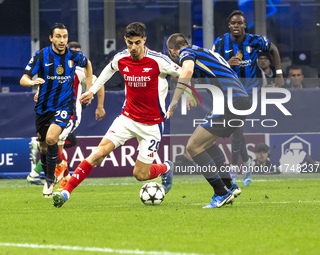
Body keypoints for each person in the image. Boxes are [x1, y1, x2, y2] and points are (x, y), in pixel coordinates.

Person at [52, 22, 181, 208]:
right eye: (130, 43)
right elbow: (108, 70)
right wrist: (92, 91)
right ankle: (65, 192)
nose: (134, 48)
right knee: (98, 153)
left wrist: (187, 92)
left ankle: (166, 168)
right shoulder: (121, 58)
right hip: (127, 119)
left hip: (152, 125)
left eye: (137, 43)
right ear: (125, 41)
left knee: (140, 175)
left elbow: (184, 72)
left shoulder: (159, 61)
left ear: (144, 40)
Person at [165, 33, 250, 209]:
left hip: (230, 102)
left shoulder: (185, 53)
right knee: (206, 144)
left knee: (193, 147)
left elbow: (187, 70)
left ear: (172, 51)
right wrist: (190, 90)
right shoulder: (204, 52)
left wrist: (174, 102)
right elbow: (209, 71)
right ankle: (229, 186)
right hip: (239, 101)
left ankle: (221, 193)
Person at [20, 23, 94, 198]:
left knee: (52, 138)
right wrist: (32, 83)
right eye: (58, 37)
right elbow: (24, 78)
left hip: (63, 107)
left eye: (65, 37)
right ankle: (49, 174)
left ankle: (49, 180)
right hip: (43, 108)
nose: (62, 40)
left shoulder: (73, 56)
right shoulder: (40, 56)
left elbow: (88, 65)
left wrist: (89, 90)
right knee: (44, 148)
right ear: (51, 38)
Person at [213, 10, 284, 186]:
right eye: (233, 23)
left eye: (239, 23)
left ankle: (233, 168)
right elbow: (212, 62)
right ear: (229, 25)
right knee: (236, 129)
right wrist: (225, 63)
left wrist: (280, 73)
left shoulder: (255, 40)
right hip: (230, 91)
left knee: (236, 127)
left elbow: (273, 49)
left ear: (245, 25)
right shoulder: (221, 42)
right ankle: (247, 164)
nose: (236, 26)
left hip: (250, 90)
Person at [26, 41, 106, 190]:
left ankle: (54, 176)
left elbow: (99, 83)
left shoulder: (79, 71)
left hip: (68, 114)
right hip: (58, 113)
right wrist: (39, 91)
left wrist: (99, 104)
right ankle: (62, 179)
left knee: (57, 144)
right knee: (56, 144)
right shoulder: (57, 69)